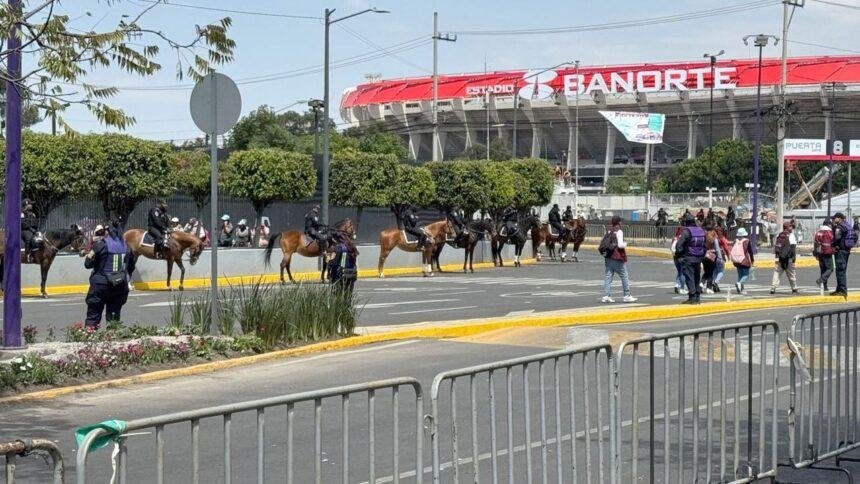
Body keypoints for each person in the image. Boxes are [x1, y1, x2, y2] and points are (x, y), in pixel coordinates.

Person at [83, 220, 135, 330]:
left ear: (107, 232)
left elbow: (87, 264)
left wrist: (90, 257)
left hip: (100, 285)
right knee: (114, 318)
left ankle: (89, 338)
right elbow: (131, 267)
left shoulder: (100, 245)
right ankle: (112, 340)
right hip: (120, 286)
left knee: (93, 317)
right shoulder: (127, 247)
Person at [601, 215, 637, 303]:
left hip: (608, 257)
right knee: (624, 275)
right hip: (617, 257)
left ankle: (606, 295)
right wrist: (626, 244)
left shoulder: (609, 230)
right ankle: (626, 295)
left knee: (608, 276)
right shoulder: (619, 231)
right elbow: (620, 245)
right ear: (619, 222)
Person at [674, 213, 706, 304]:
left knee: (689, 277)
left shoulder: (686, 231)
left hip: (688, 258)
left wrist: (679, 256)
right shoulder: (701, 230)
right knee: (697, 277)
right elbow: (705, 245)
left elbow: (679, 245)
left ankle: (692, 297)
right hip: (698, 258)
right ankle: (697, 296)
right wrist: (701, 256)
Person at [770, 221, 798, 294]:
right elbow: (793, 247)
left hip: (780, 258)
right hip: (789, 258)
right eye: (791, 226)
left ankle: (773, 287)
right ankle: (794, 288)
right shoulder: (791, 235)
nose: (792, 228)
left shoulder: (779, 235)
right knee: (791, 273)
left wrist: (777, 258)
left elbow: (777, 247)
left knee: (777, 272)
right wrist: (794, 257)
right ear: (788, 227)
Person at [831, 212, 855, 296]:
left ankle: (842, 290)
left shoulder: (839, 227)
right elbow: (855, 236)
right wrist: (849, 246)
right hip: (846, 251)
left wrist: (832, 244)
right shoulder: (847, 225)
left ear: (839, 218)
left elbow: (837, 238)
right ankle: (839, 289)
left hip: (840, 251)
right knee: (842, 270)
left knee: (840, 271)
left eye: (835, 218)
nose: (833, 220)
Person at [729, 227, 754, 295]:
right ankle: (739, 284)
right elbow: (750, 252)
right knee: (746, 275)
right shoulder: (746, 241)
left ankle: (741, 289)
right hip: (744, 260)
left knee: (740, 275)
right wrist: (752, 260)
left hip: (736, 261)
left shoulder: (735, 240)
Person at [813, 220, 835, 292]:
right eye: (830, 224)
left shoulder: (818, 232)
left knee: (823, 269)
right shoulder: (829, 232)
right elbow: (832, 242)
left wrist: (816, 253)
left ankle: (825, 286)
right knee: (830, 268)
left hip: (819, 253)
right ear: (828, 224)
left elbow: (815, 243)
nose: (831, 226)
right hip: (827, 253)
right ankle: (821, 280)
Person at [670, 226, 687, 295]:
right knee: (683, 273)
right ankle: (682, 288)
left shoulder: (675, 238)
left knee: (679, 272)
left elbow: (671, 248)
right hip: (682, 257)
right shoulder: (683, 238)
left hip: (675, 257)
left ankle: (677, 285)